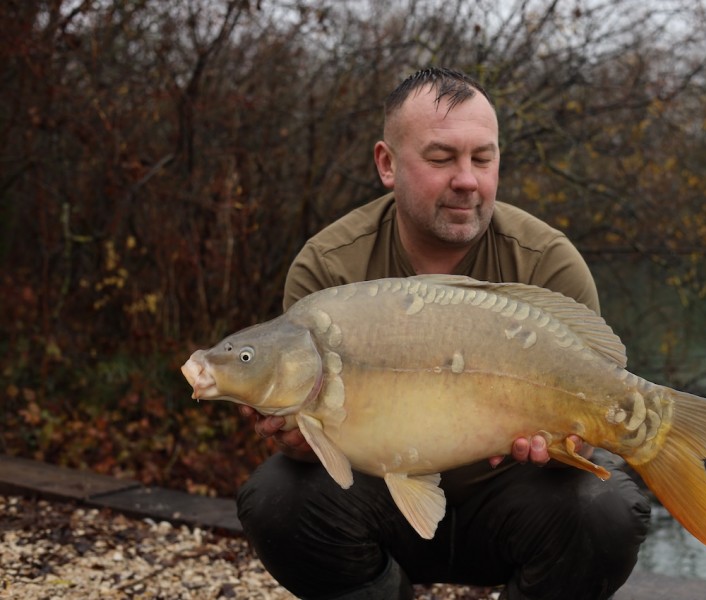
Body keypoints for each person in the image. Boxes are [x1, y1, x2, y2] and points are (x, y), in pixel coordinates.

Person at [237, 67, 650, 600]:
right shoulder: (328, 268)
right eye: (440, 158)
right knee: (276, 496)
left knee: (608, 507)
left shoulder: (548, 262)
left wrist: (574, 440)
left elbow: (592, 417)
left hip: (513, 505)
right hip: (382, 500)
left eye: (483, 158)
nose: (467, 180)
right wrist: (297, 440)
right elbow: (314, 443)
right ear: (387, 164)